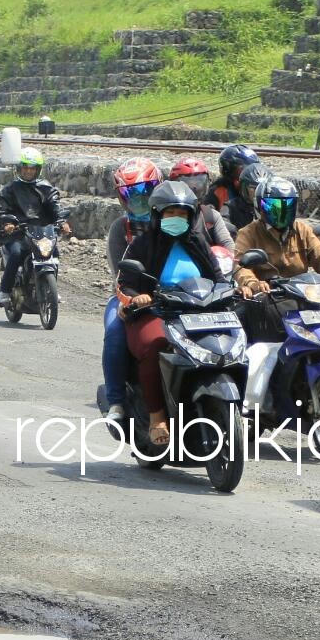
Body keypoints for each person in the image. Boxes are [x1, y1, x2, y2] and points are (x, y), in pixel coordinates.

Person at [117, 181, 225, 446]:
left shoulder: (198, 242)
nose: (177, 219)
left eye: (183, 214)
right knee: (155, 345)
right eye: (170, 213)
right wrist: (136, 296)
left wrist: (231, 289)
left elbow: (219, 277)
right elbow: (125, 281)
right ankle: (157, 416)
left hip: (198, 312)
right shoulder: (143, 244)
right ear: (157, 215)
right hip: (156, 312)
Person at [103, 157, 162, 423]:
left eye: (145, 191)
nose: (139, 199)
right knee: (115, 331)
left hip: (178, 294)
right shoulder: (120, 229)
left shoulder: (173, 219)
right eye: (131, 194)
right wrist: (133, 297)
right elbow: (120, 275)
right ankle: (116, 401)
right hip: (130, 296)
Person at [233, 176, 320, 299]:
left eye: (287, 207)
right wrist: (253, 283)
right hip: (266, 298)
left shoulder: (302, 230)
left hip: (300, 296)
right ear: (259, 206)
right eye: (274, 207)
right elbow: (241, 267)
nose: (281, 213)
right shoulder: (248, 233)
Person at [0, 147, 70, 307]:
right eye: (25, 168)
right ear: (19, 169)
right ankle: (5, 291)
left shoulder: (46, 187)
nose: (29, 172)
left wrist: (62, 221)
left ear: (38, 170)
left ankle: (51, 289)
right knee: (15, 253)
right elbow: (2, 209)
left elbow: (55, 205)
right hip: (18, 232)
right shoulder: (10, 189)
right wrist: (8, 223)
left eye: (32, 168)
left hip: (40, 232)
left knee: (54, 252)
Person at [168, 157, 234, 252]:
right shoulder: (165, 216)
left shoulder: (210, 216)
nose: (194, 190)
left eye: (199, 184)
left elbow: (228, 245)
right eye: (187, 186)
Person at [203, 144, 260, 230]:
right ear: (228, 171)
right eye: (242, 170)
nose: (249, 174)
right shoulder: (217, 190)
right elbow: (207, 215)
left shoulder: (259, 188)